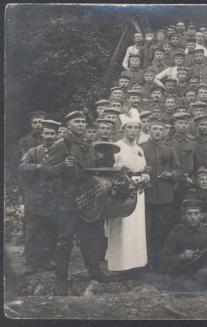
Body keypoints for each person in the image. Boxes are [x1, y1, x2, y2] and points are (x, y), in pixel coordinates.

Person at [44, 111, 109, 295]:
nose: (81, 124)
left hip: (87, 200)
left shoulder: (88, 145)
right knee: (65, 240)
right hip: (67, 201)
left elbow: (93, 171)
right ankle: (60, 281)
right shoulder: (61, 145)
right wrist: (63, 166)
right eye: (77, 121)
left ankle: (95, 273)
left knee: (88, 238)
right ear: (69, 124)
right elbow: (47, 172)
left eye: (83, 122)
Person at [105, 112, 150, 278]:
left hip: (139, 191)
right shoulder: (116, 147)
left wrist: (145, 176)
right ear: (123, 129)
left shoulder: (139, 149)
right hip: (122, 191)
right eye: (130, 128)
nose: (133, 131)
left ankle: (136, 263)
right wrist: (122, 183)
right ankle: (119, 265)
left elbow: (142, 168)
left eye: (136, 128)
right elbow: (111, 171)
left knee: (136, 226)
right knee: (122, 226)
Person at [157, 199, 207, 288]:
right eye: (189, 214)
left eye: (196, 213)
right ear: (184, 216)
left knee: (204, 274)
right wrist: (181, 256)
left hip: (203, 269)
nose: (193, 217)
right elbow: (163, 259)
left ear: (201, 215)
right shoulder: (177, 232)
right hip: (183, 270)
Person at [19, 119, 60, 275]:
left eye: (52, 134)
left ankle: (46, 260)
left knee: (51, 230)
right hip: (36, 197)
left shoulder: (62, 152)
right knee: (33, 231)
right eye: (47, 133)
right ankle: (31, 262)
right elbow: (22, 168)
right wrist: (38, 166)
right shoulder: (33, 152)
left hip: (54, 198)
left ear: (56, 135)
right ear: (42, 134)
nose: (49, 136)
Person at [140, 118, 182, 270]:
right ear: (149, 130)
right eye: (155, 129)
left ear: (164, 132)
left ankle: (161, 262)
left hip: (165, 196)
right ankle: (145, 261)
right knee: (146, 229)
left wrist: (171, 175)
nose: (158, 132)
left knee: (163, 229)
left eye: (161, 129)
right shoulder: (141, 148)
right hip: (147, 196)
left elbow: (178, 170)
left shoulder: (169, 149)